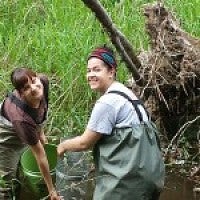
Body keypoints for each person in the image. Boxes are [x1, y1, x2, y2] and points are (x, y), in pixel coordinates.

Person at [57, 45, 165, 200]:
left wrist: (63, 146)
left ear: (111, 71)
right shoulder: (126, 93)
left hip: (128, 182)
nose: (91, 75)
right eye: (88, 70)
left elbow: (84, 143)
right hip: (151, 177)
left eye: (97, 70)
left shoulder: (107, 102)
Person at [0, 68, 61, 200]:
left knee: (25, 167)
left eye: (34, 81)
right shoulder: (21, 118)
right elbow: (40, 155)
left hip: (24, 130)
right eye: (26, 88)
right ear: (21, 94)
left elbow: (40, 112)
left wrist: (41, 134)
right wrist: (52, 191)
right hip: (6, 139)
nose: (34, 88)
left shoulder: (43, 82)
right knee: (7, 181)